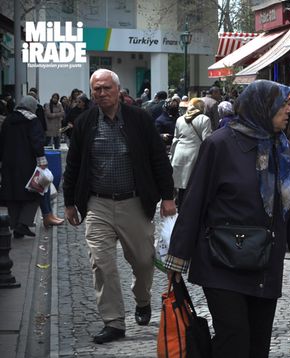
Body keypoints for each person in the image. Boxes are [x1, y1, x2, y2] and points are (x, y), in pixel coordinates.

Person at [165, 80, 290, 358]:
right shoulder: (220, 144)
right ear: (262, 105)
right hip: (221, 261)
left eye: (289, 104)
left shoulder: (285, 150)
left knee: (257, 344)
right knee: (233, 337)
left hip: (265, 264)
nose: (289, 111)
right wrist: (178, 257)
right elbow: (195, 201)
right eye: (283, 104)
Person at [63, 69, 176, 344]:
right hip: (97, 204)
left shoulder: (139, 119)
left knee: (143, 261)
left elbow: (158, 159)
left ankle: (142, 298)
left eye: (106, 88)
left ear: (118, 90)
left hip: (135, 203)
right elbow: (74, 165)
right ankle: (113, 322)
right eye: (96, 90)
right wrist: (69, 203)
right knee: (101, 264)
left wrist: (168, 197)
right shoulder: (86, 122)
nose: (101, 94)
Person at [0, 95, 47, 238]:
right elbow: (37, 142)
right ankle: (24, 223)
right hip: (27, 163)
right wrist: (42, 161)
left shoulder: (8, 120)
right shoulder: (32, 121)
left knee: (12, 196)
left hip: (8, 164)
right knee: (34, 192)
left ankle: (15, 227)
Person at [170, 98, 212, 209]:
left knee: (181, 184)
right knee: (192, 183)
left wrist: (172, 155)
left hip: (179, 153)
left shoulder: (180, 119)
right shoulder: (204, 119)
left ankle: (180, 207)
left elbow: (175, 138)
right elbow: (206, 140)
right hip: (194, 153)